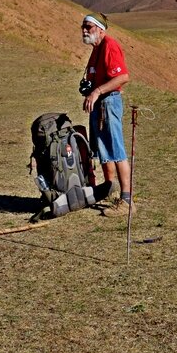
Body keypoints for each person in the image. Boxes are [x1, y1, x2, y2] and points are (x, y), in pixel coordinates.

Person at [79, 13, 134, 218]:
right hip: (100, 104)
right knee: (103, 149)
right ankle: (110, 188)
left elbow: (122, 76)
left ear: (100, 29)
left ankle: (127, 201)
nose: (84, 31)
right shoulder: (96, 49)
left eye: (88, 27)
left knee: (116, 149)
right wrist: (90, 88)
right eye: (83, 27)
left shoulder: (109, 45)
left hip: (109, 102)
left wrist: (97, 91)